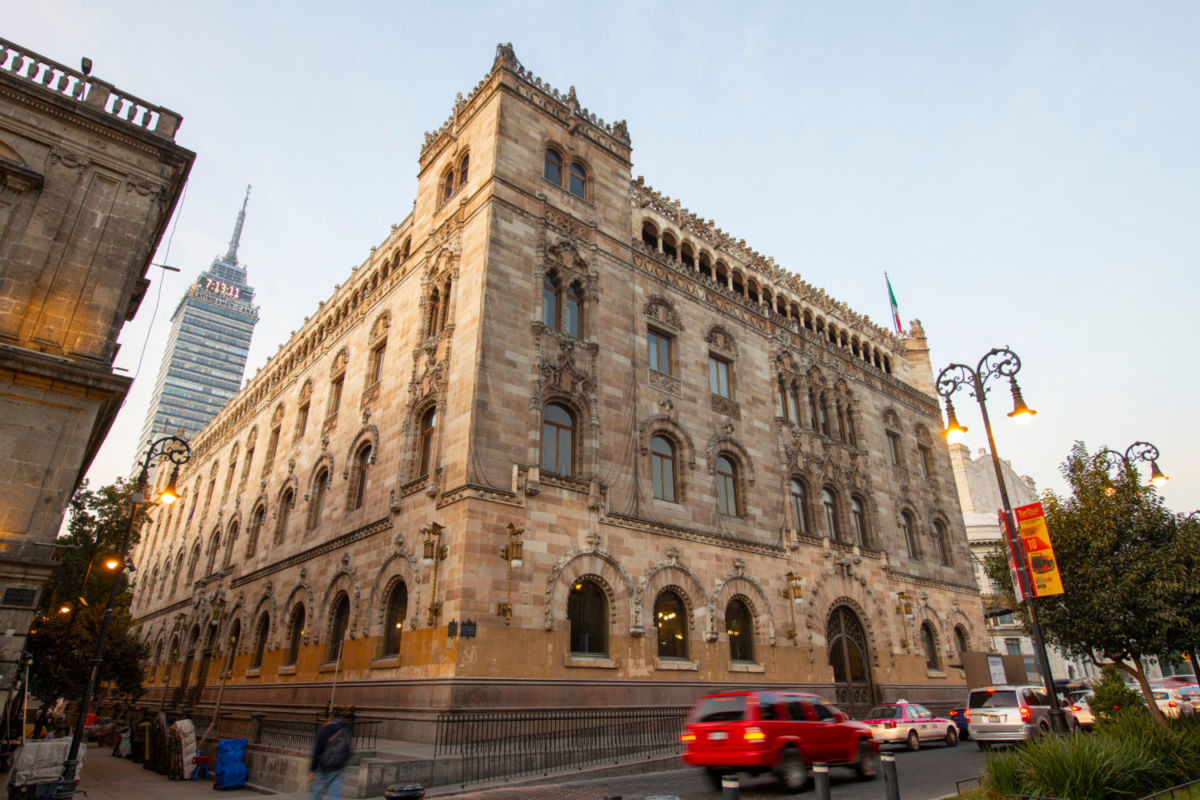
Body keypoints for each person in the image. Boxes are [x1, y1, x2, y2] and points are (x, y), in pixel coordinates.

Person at [308, 712, 352, 800]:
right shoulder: (344, 731)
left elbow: (317, 751)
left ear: (329, 719)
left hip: (324, 767)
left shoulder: (324, 731)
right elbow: (348, 750)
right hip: (339, 768)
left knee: (317, 794)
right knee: (335, 796)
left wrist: (312, 769)